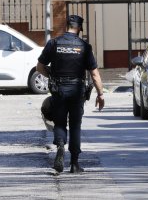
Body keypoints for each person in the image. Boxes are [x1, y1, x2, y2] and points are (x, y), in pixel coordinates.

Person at [36, 14, 105, 174]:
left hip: (59, 89)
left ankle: (60, 146)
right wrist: (100, 94)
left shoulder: (54, 43)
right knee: (75, 125)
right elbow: (94, 74)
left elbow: (39, 67)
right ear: (80, 28)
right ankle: (74, 164)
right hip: (77, 90)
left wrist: (51, 75)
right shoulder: (84, 46)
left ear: (65, 26)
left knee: (59, 122)